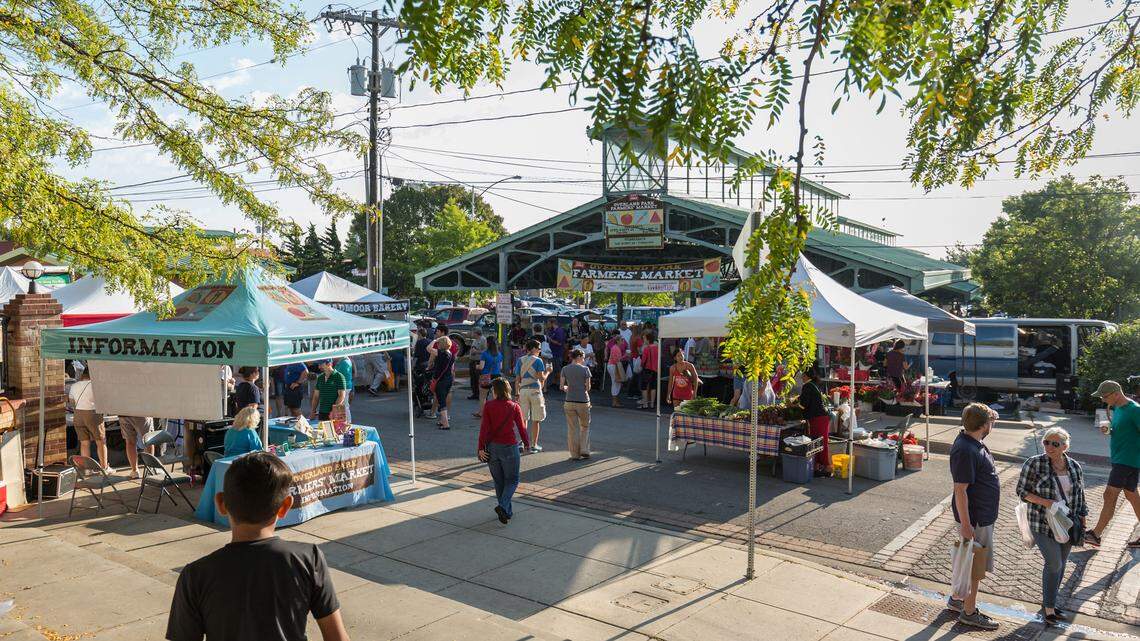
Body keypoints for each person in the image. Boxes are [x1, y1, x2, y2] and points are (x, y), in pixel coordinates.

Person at [166, 452, 349, 641]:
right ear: (285, 506)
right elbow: (337, 637)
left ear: (221, 503)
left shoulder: (195, 575)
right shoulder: (309, 559)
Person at [1016, 427, 1087, 625]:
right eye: (1046, 442)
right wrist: (1047, 503)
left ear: (1065, 446)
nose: (1049, 447)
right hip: (1041, 522)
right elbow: (1022, 491)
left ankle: (1052, 603)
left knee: (1061, 564)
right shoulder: (1034, 463)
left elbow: (1080, 494)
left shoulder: (1074, 466)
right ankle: (1048, 608)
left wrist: (1082, 517)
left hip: (1067, 523)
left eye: (1055, 444)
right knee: (1054, 562)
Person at [947, 402, 1001, 630]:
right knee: (975, 567)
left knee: (970, 562)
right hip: (976, 519)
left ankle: (957, 600)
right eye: (991, 422)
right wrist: (967, 525)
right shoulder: (966, 449)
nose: (993, 425)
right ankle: (969, 612)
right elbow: (960, 490)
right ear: (984, 425)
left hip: (981, 516)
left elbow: (986, 420)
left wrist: (989, 415)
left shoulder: (974, 441)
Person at [1085, 380, 1140, 548]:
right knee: (1132, 495)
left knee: (1109, 494)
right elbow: (1126, 431)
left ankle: (1096, 534)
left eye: (1104, 396)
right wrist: (1111, 430)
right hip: (1120, 459)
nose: (1102, 399)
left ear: (1116, 394)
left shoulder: (1134, 410)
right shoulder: (1117, 408)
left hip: (1127, 460)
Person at [477, 378, 530, 523]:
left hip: (492, 448)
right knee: (512, 480)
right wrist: (527, 443)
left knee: (499, 481)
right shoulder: (514, 406)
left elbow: (484, 429)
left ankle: (506, 511)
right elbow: (521, 428)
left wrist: (480, 448)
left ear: (495, 391)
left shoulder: (488, 406)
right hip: (509, 447)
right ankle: (503, 506)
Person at [68, 369, 112, 473]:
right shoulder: (95, 385)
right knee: (100, 441)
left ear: (82, 375)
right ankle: (104, 467)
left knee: (84, 443)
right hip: (92, 414)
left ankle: (87, 469)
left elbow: (71, 402)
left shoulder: (74, 385)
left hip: (78, 415)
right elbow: (103, 401)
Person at [513, 339, 548, 453]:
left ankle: (522, 443)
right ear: (532, 348)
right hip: (534, 391)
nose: (539, 350)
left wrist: (516, 393)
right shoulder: (538, 361)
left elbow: (517, 379)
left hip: (523, 391)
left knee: (523, 418)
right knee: (536, 419)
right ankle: (533, 445)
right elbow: (540, 378)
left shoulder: (520, 360)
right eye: (538, 348)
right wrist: (548, 372)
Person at [561, 348, 593, 460]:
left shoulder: (565, 369)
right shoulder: (585, 369)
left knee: (572, 428)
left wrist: (568, 388)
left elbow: (562, 386)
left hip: (569, 401)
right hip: (583, 401)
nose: (584, 360)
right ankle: (584, 449)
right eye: (583, 357)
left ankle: (574, 454)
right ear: (579, 357)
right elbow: (588, 387)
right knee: (585, 426)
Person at [798, 368, 831, 476]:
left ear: (807, 376)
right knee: (819, 442)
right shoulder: (814, 384)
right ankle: (818, 466)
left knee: (818, 442)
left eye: (803, 375)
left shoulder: (807, 386)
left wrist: (794, 405)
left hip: (818, 418)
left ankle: (825, 467)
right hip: (821, 417)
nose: (801, 377)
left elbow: (804, 404)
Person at [429, 335, 456, 430]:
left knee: (442, 402)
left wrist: (434, 340)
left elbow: (428, 348)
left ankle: (446, 424)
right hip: (448, 379)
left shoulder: (440, 353)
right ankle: (442, 421)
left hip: (441, 380)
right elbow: (452, 368)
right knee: (442, 399)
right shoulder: (451, 354)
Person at [474, 336, 503, 418]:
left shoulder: (485, 354)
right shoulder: (499, 354)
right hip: (497, 376)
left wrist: (476, 366)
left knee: (483, 396)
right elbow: (500, 367)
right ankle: (496, 413)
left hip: (486, 376)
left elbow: (481, 367)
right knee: (495, 396)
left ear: (488, 344)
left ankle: (481, 412)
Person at [118, 415, 154, 479]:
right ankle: (149, 469)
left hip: (124, 412)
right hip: (139, 411)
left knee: (130, 442)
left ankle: (135, 471)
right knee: (148, 440)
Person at [639, 331, 660, 410]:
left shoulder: (646, 348)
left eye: (644, 338)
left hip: (647, 369)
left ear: (648, 339)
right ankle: (652, 404)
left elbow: (643, 360)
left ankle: (645, 404)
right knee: (653, 387)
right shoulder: (657, 347)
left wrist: (640, 366)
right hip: (655, 370)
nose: (644, 340)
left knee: (644, 387)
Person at [606, 331, 627, 408]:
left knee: (616, 383)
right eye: (621, 340)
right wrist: (625, 356)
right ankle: (615, 402)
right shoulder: (616, 348)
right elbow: (617, 360)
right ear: (617, 341)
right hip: (613, 366)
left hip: (613, 366)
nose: (623, 341)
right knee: (616, 383)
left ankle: (616, 401)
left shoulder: (615, 347)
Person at [467, 329, 488, 400]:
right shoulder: (475, 340)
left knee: (478, 378)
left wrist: (477, 352)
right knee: (473, 378)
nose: (472, 334)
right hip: (472, 360)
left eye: (473, 333)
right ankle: (475, 393)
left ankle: (480, 394)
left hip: (478, 361)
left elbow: (485, 351)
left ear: (477, 333)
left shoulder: (483, 340)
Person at [333, 357, 354, 422]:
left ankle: (348, 422)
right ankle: (346, 422)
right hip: (345, 386)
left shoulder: (344, 363)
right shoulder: (343, 361)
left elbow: (337, 374)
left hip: (344, 387)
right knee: (344, 405)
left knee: (344, 405)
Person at [547, 319, 567, 384]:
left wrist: (550, 339)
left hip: (558, 353)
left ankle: (560, 384)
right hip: (550, 353)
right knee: (550, 368)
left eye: (549, 323)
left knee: (558, 369)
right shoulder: (551, 330)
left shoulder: (559, 331)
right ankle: (552, 382)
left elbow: (560, 343)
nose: (548, 325)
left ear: (553, 323)